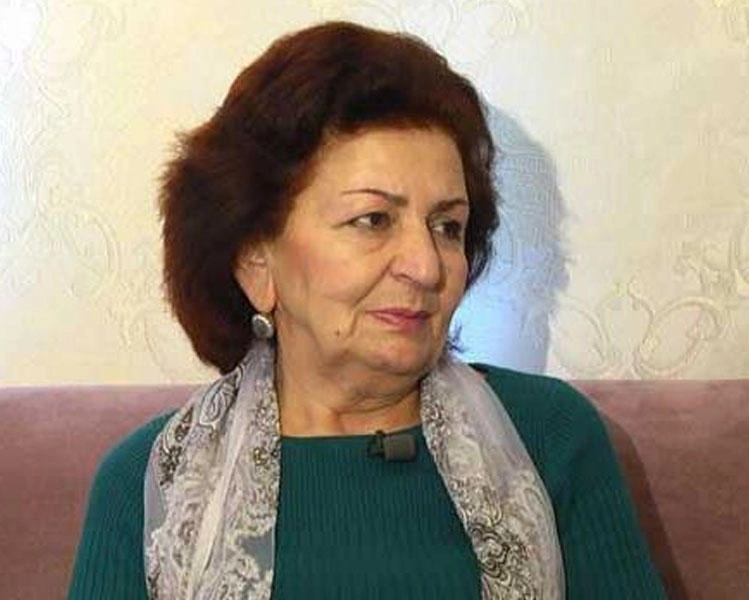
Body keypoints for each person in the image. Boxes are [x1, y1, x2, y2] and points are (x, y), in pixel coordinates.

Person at [68, 21, 665, 599]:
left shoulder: (551, 437)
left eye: (447, 226)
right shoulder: (149, 484)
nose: (426, 267)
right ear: (256, 260)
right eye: (373, 220)